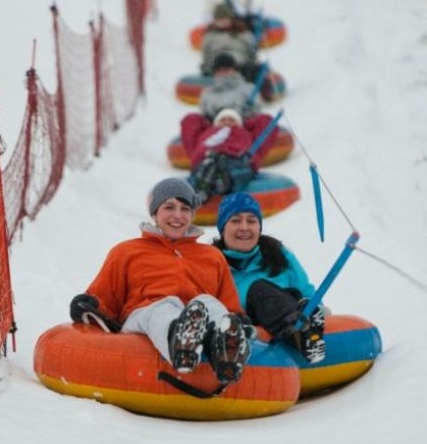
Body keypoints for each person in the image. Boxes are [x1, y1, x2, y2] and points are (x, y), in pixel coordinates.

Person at [69, 178, 257, 385]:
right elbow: (105, 297)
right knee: (164, 307)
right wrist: (90, 305)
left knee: (207, 302)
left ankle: (224, 349)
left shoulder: (211, 256)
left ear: (193, 215)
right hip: (145, 315)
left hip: (199, 316)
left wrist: (237, 319)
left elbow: (228, 303)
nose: (177, 215)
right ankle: (181, 342)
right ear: (155, 213)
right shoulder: (127, 252)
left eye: (185, 208)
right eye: (169, 207)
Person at [212, 192, 327, 363]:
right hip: (243, 336)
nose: (244, 227)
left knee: (262, 289)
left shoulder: (280, 256)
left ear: (259, 227)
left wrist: (316, 310)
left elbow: (307, 294)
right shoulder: (210, 263)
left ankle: (304, 332)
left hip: (290, 311)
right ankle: (299, 330)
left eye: (251, 221)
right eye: (235, 221)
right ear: (223, 228)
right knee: (255, 293)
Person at [180, 53, 278, 201]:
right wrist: (215, 124)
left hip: (239, 140)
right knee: (191, 121)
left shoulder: (247, 89)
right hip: (212, 138)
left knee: (265, 122)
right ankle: (203, 175)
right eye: (220, 70)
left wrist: (242, 119)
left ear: (235, 70)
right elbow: (203, 114)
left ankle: (229, 178)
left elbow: (260, 115)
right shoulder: (208, 93)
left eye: (228, 69)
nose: (224, 73)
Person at [183, 107, 256, 202]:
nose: (227, 122)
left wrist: (224, 150)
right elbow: (201, 148)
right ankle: (204, 186)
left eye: (231, 120)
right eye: (223, 120)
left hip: (233, 160)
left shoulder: (242, 133)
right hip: (212, 159)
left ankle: (221, 181)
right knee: (209, 164)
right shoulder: (209, 133)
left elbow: (242, 147)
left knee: (223, 162)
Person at [200, 4, 259, 82]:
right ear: (215, 21)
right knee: (221, 60)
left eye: (225, 19)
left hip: (239, 63)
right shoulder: (210, 37)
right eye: (219, 20)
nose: (222, 22)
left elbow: (251, 53)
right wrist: (206, 68)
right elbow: (206, 56)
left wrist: (252, 65)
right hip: (218, 63)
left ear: (230, 19)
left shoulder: (243, 33)